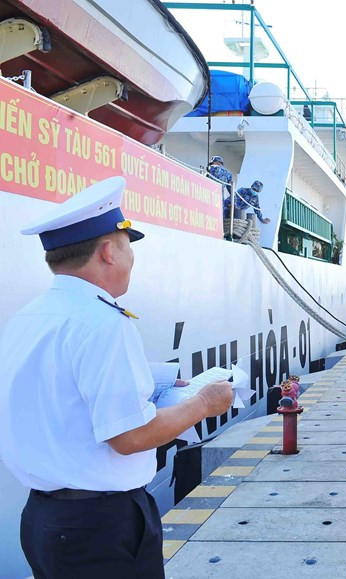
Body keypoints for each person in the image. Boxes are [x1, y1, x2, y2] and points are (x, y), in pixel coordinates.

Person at [0, 177, 233, 578]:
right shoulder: (103, 323)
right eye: (128, 247)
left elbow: (56, 393)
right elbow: (130, 437)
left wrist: (150, 380)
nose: (131, 260)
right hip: (99, 528)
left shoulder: (30, 316)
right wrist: (204, 403)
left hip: (45, 519)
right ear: (108, 251)